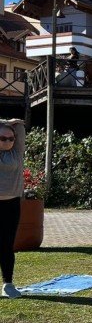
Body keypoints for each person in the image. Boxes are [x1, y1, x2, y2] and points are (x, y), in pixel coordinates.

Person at [0, 119, 25, 299]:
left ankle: (8, 284)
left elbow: (21, 126)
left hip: (12, 204)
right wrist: (4, 121)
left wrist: (10, 124)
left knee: (7, 245)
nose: (8, 141)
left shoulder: (17, 152)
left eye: (11, 138)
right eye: (3, 138)